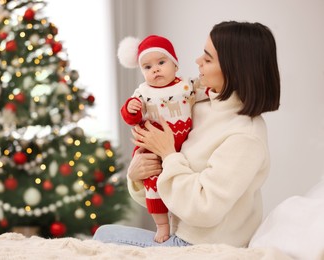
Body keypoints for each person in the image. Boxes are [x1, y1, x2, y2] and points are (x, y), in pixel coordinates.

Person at [93, 20, 280, 248]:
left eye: (208, 58)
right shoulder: (199, 108)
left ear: (235, 68)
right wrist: (137, 175)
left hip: (204, 248)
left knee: (104, 238)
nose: (197, 61)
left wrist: (168, 153)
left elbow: (203, 209)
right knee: (104, 233)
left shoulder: (245, 135)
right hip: (178, 234)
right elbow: (169, 196)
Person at [117, 35, 198, 243]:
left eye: (161, 62)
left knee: (177, 181)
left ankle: (176, 223)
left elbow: (206, 92)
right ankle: (162, 224)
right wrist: (131, 109)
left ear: (175, 65)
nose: (155, 70)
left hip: (178, 147)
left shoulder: (186, 86)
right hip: (152, 149)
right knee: (154, 185)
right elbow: (129, 116)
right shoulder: (143, 92)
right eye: (147, 66)